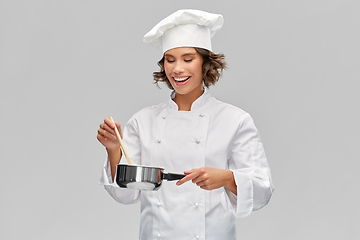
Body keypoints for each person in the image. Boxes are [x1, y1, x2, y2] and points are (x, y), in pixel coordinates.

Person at [97, 9, 274, 240]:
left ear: (205, 63)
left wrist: (226, 178)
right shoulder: (143, 121)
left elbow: (262, 191)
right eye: (170, 60)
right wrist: (113, 150)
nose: (177, 69)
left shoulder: (235, 120)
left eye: (188, 59)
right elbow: (126, 195)